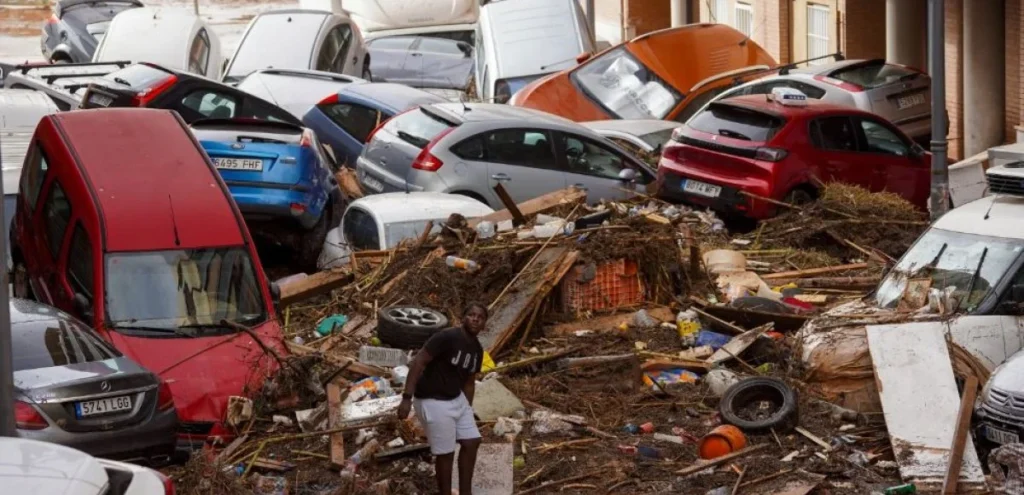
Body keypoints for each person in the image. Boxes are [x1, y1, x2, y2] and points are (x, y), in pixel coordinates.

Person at [397, 303, 487, 495]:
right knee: (446, 453)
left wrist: (467, 411)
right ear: (463, 317)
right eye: (471, 314)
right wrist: (406, 397)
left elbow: (469, 382)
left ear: (484, 324)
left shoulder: (477, 350)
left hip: (456, 399)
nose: (475, 319)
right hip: (432, 399)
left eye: (480, 317)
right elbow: (419, 361)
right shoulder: (447, 337)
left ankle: (465, 492)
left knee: (472, 442)